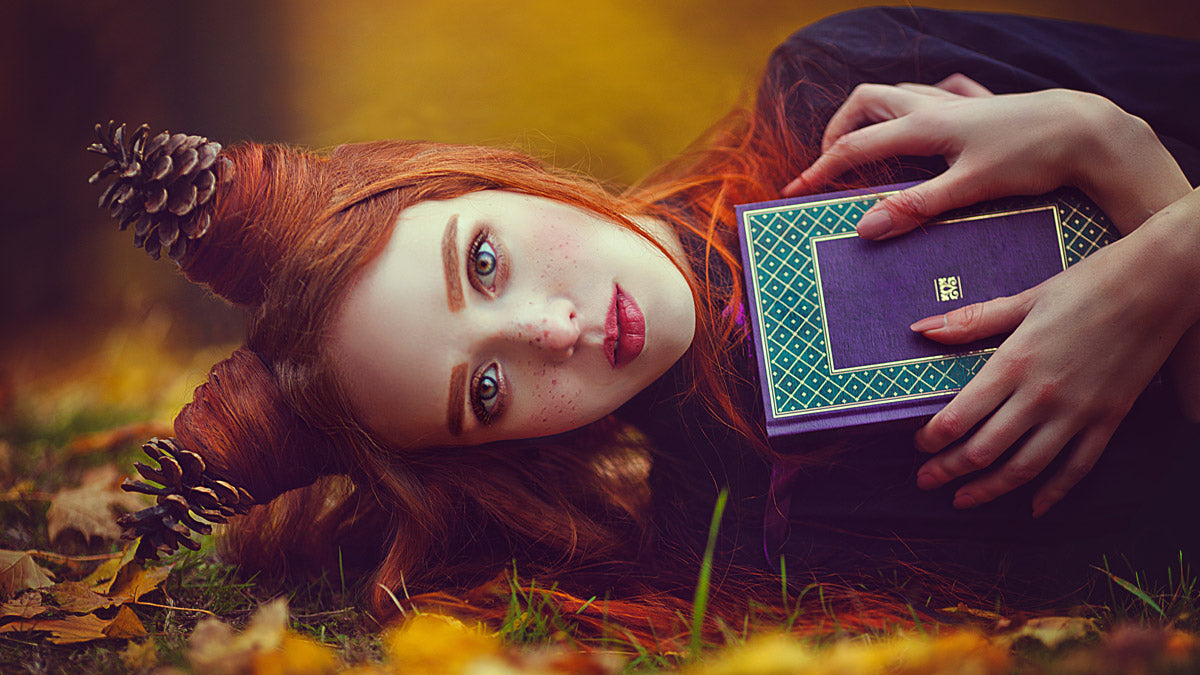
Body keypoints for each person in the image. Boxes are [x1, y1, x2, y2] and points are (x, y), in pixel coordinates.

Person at [95, 8, 1200, 628]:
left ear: (492, 179)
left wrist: (1119, 153)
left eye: (483, 261)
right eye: (486, 393)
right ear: (504, 452)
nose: (550, 332)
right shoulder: (767, 535)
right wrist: (1146, 205)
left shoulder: (846, 87)